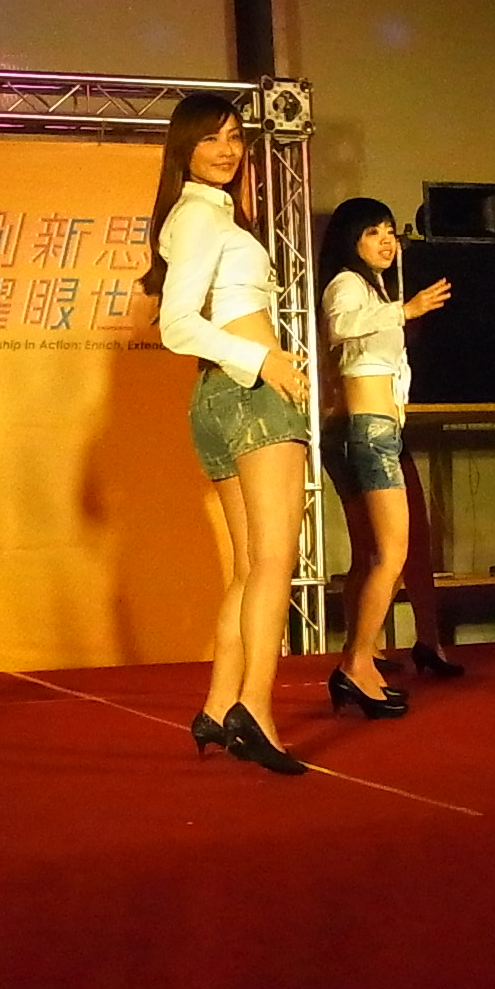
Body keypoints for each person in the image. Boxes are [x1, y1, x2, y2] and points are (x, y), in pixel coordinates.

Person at [143, 93, 312, 775]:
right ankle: (256, 710)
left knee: (249, 567)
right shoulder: (199, 218)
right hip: (248, 394)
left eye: (236, 137)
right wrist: (265, 361)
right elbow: (176, 325)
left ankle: (218, 707)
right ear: (183, 147)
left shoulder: (202, 215)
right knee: (273, 562)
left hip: (220, 396)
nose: (227, 150)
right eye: (211, 138)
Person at [317, 198, 454, 717]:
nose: (387, 241)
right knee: (391, 555)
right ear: (351, 239)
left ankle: (363, 660)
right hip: (370, 430)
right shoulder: (347, 284)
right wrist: (406, 310)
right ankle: (355, 664)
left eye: (391, 231)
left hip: (376, 427)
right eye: (373, 231)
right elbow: (341, 324)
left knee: (380, 554)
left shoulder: (372, 287)